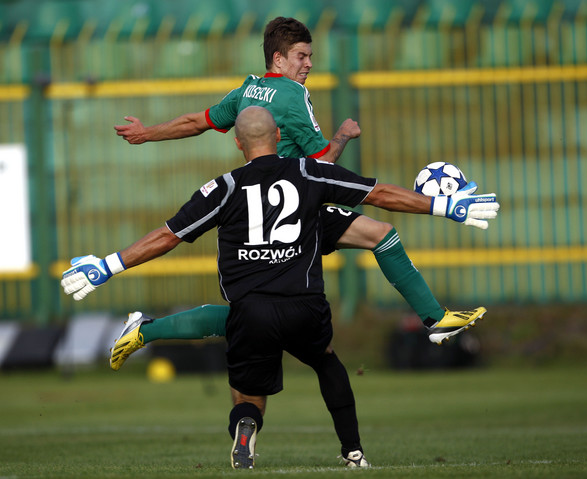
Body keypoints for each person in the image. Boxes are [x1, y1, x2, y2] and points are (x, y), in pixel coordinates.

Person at [63, 107, 499, 468]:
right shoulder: (307, 171)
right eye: (302, 55)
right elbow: (380, 192)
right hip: (305, 304)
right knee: (328, 362)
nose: (305, 63)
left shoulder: (225, 186)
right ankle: (354, 452)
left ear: (238, 143)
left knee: (246, 371)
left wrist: (106, 266)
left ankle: (237, 422)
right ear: (278, 134)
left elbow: (167, 236)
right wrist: (444, 206)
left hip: (251, 311)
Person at [110, 16, 488, 371]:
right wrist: (342, 135)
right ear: (279, 58)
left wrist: (147, 134)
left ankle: (146, 328)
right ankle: (434, 319)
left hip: (263, 210)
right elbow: (323, 166)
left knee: (264, 309)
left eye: (311, 56)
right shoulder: (293, 96)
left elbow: (198, 122)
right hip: (292, 209)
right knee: (262, 314)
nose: (308, 64)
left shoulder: (247, 89)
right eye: (302, 56)